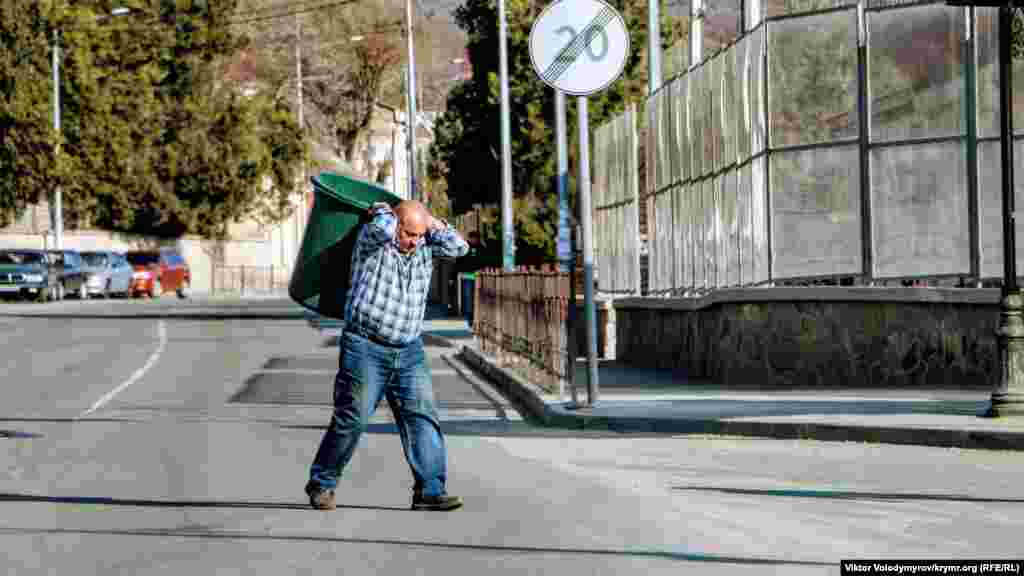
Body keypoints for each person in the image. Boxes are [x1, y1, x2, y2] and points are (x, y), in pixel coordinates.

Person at [305, 199, 469, 512]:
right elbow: (380, 227)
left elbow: (459, 247)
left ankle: (431, 490)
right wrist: (386, 212)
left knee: (422, 418)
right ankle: (322, 483)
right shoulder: (372, 242)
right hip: (365, 346)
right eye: (409, 234)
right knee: (352, 419)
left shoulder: (423, 246)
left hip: (408, 350)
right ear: (397, 226)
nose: (414, 241)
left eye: (420, 236)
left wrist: (428, 222)